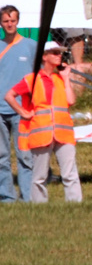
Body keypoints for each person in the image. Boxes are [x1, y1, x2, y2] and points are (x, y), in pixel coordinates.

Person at [4, 40, 81, 202]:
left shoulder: (60, 79)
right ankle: (40, 206)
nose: (59, 56)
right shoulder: (31, 79)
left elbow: (71, 100)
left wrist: (66, 78)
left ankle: (75, 205)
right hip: (41, 134)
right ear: (44, 57)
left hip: (63, 133)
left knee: (70, 174)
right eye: (55, 53)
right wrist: (23, 113)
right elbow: (9, 95)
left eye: (60, 53)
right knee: (39, 176)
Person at [0, 5, 36, 202]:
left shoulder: (30, 46)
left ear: (18, 21)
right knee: (1, 157)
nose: (9, 24)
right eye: (6, 21)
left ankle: (28, 196)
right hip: (0, 109)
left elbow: (38, 77)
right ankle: (6, 196)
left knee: (25, 155)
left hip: (22, 110)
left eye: (12, 20)